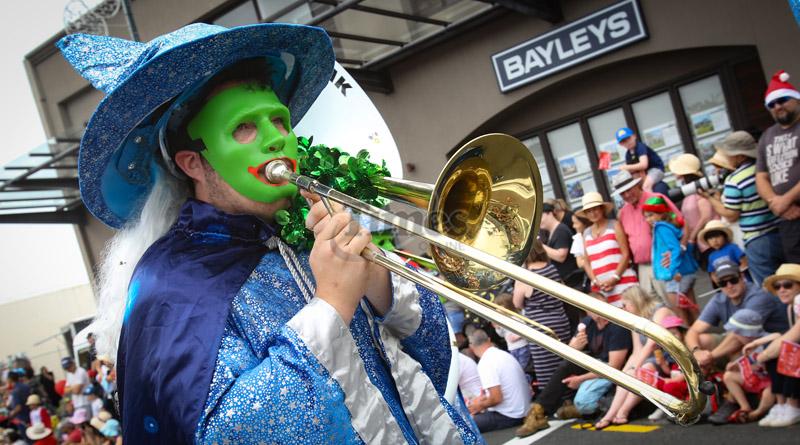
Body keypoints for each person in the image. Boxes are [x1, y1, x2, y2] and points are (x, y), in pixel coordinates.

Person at [58, 23, 481, 444]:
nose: (276, 141)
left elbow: (434, 365)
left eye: (279, 121)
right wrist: (331, 305)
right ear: (192, 163)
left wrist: (379, 284)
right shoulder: (167, 285)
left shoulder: (307, 231)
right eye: (244, 128)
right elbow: (226, 432)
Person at [516, 292, 632, 437]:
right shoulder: (589, 323)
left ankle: (583, 409)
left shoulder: (617, 327)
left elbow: (614, 367)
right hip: (597, 365)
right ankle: (538, 412)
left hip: (615, 371)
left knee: (583, 402)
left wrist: (581, 379)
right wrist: (574, 346)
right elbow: (568, 353)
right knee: (566, 365)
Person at [701, 131, 783, 286]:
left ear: (739, 156)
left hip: (757, 239)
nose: (727, 158)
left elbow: (731, 214)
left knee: (771, 286)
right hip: (781, 230)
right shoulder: (766, 168)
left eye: (729, 154)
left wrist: (710, 199)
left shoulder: (735, 179)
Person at [685, 259, 788, 371]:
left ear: (742, 277)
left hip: (765, 343)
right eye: (723, 283)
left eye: (733, 280)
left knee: (735, 348)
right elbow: (693, 331)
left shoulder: (757, 296)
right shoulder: (719, 299)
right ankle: (708, 380)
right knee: (701, 341)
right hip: (742, 342)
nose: (729, 286)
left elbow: (741, 336)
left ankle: (725, 377)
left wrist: (709, 357)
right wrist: (697, 352)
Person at [594, 286, 675, 428]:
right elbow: (637, 350)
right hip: (653, 357)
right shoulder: (636, 319)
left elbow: (650, 344)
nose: (624, 309)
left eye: (625, 305)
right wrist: (626, 372)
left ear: (634, 302)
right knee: (627, 374)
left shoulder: (659, 311)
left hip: (669, 358)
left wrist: (634, 368)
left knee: (642, 370)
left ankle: (623, 412)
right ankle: (611, 414)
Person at [612, 170, 683, 302]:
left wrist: (680, 249)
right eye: (622, 193)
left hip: (664, 262)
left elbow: (681, 224)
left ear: (637, 185)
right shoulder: (622, 213)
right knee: (653, 313)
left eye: (629, 189)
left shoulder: (656, 199)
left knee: (677, 307)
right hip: (643, 268)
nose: (627, 194)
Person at [512, 240, 571, 387]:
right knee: (564, 366)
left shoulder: (526, 276)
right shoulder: (552, 269)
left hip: (540, 328)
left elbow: (517, 303)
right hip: (561, 322)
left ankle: (552, 404)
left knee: (548, 372)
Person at [756, 70, 800, 264]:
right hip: (787, 218)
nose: (778, 106)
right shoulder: (767, 136)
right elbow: (761, 176)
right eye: (772, 104)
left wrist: (786, 199)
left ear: (796, 100)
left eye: (782, 100)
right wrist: (776, 202)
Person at [752, 263, 800, 427]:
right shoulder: (790, 307)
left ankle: (793, 406)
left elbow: (793, 336)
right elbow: (789, 335)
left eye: (787, 285)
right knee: (775, 349)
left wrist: (763, 356)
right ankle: (782, 404)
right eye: (778, 286)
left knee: (788, 352)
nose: (782, 289)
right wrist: (761, 343)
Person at [709, 309, 775, 425]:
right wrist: (737, 364)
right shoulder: (747, 344)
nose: (734, 335)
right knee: (729, 376)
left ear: (748, 334)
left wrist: (760, 364)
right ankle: (744, 406)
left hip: (768, 381)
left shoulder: (764, 342)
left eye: (737, 333)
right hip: (755, 379)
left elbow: (766, 361)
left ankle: (758, 413)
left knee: (769, 392)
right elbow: (746, 359)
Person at [643, 196, 700, 323]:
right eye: (646, 216)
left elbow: (675, 249)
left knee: (679, 312)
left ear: (661, 213)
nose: (648, 219)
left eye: (651, 215)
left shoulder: (661, 228)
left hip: (676, 275)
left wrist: (673, 271)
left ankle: (688, 339)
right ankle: (698, 336)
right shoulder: (668, 226)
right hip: (683, 271)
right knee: (691, 308)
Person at [576, 192, 638, 307]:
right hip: (601, 288)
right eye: (589, 211)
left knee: (633, 315)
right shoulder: (586, 233)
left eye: (595, 209)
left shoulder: (615, 225)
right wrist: (595, 281)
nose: (593, 213)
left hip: (623, 281)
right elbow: (586, 261)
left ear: (602, 209)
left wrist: (615, 277)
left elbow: (625, 254)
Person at [466, 329, 531, 433]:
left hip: (511, 415)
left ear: (471, 347)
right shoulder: (503, 354)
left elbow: (496, 398)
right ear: (489, 340)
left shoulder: (485, 362)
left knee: (463, 424)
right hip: (524, 410)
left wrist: (478, 406)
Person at [668, 153, 718, 257]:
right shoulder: (687, 190)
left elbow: (706, 217)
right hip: (700, 243)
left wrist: (692, 237)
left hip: (710, 242)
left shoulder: (700, 189)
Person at [615, 127, 666, 193]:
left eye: (628, 138)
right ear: (620, 144)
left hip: (656, 169)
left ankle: (652, 203)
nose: (627, 142)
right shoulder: (628, 154)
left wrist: (626, 167)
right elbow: (633, 170)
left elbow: (644, 164)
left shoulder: (640, 147)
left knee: (646, 186)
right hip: (644, 173)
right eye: (624, 141)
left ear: (634, 136)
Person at [493, 293, 531, 374]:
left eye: (499, 306)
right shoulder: (503, 320)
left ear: (507, 306)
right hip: (512, 348)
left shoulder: (516, 317)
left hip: (522, 346)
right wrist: (498, 328)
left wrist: (517, 336)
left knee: (522, 369)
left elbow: (525, 328)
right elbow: (502, 335)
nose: (497, 309)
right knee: (518, 368)